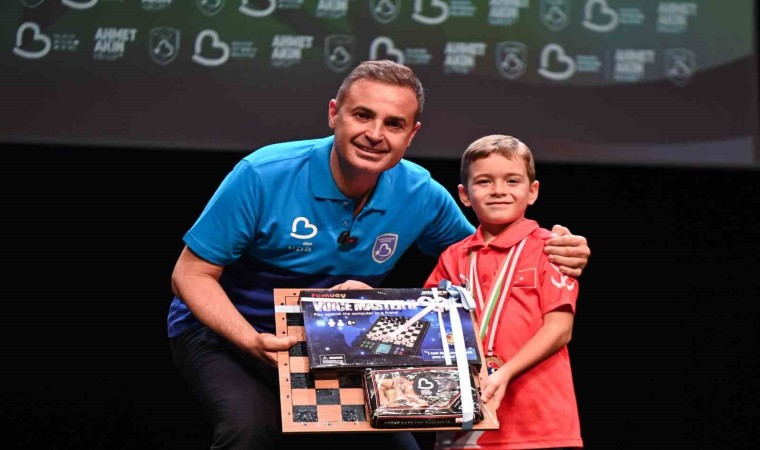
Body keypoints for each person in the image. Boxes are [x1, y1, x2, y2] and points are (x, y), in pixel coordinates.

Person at [168, 60, 590, 449]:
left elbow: (484, 258)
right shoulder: (263, 174)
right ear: (334, 114)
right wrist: (250, 340)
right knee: (249, 430)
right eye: (362, 115)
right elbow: (190, 275)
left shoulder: (420, 192)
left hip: (339, 343)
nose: (375, 134)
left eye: (394, 123)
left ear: (411, 134)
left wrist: (555, 247)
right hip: (232, 334)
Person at [424, 134, 583, 449]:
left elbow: (559, 329)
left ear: (532, 191)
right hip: (465, 418)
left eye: (512, 180)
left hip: (538, 423)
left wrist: (505, 372)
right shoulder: (452, 257)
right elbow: (429, 326)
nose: (498, 190)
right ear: (464, 195)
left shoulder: (553, 249)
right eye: (484, 181)